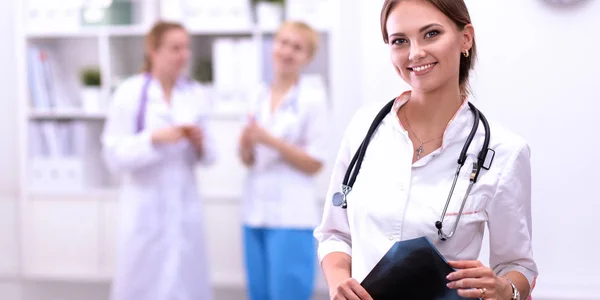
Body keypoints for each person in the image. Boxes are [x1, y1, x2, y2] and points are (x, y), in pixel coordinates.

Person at [314, 1, 539, 300]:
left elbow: (518, 265)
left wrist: (506, 289)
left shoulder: (504, 151)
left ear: (465, 39)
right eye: (399, 41)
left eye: (431, 34)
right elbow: (335, 234)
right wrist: (338, 281)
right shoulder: (363, 128)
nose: (415, 52)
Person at [101, 21, 216, 300]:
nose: (184, 55)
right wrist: (153, 139)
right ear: (153, 51)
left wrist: (200, 144)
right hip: (144, 210)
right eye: (175, 48)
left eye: (186, 48)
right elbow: (113, 156)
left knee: (186, 284)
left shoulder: (194, 94)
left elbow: (212, 157)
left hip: (185, 208)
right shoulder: (130, 93)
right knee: (143, 285)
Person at [237, 21, 330, 300]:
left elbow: (315, 162)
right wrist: (245, 144)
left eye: (297, 47)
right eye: (283, 43)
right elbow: (248, 159)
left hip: (291, 215)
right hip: (254, 211)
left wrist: (269, 140)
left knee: (287, 294)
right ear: (273, 46)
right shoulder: (257, 95)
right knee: (259, 293)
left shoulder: (313, 98)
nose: (287, 52)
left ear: (307, 57)